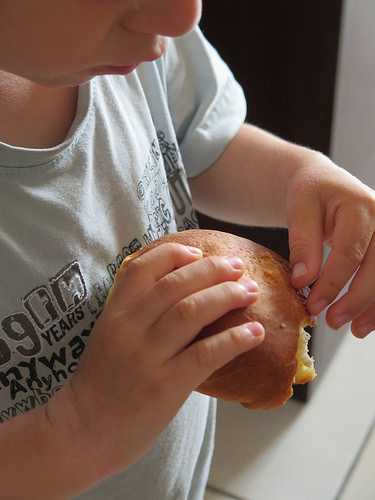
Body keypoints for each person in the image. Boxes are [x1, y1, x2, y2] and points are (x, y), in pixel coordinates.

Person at [0, 1, 374, 498]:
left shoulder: (130, 40)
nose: (183, 17)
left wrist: (303, 177)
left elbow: (201, 147)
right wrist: (75, 429)